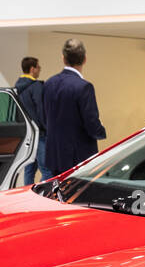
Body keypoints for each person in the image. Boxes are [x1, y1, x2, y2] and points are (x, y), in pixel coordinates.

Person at [43, 39, 106, 175]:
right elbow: (91, 123)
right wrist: (101, 131)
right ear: (85, 59)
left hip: (54, 155)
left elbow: (44, 117)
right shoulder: (84, 87)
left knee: (55, 194)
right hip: (78, 158)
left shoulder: (49, 83)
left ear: (63, 59)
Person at [13, 56, 47, 185]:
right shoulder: (36, 86)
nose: (40, 70)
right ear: (33, 69)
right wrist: (46, 128)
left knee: (29, 169)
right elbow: (41, 110)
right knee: (47, 170)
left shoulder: (17, 87)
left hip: (27, 134)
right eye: (39, 67)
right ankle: (42, 194)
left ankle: (28, 195)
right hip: (40, 133)